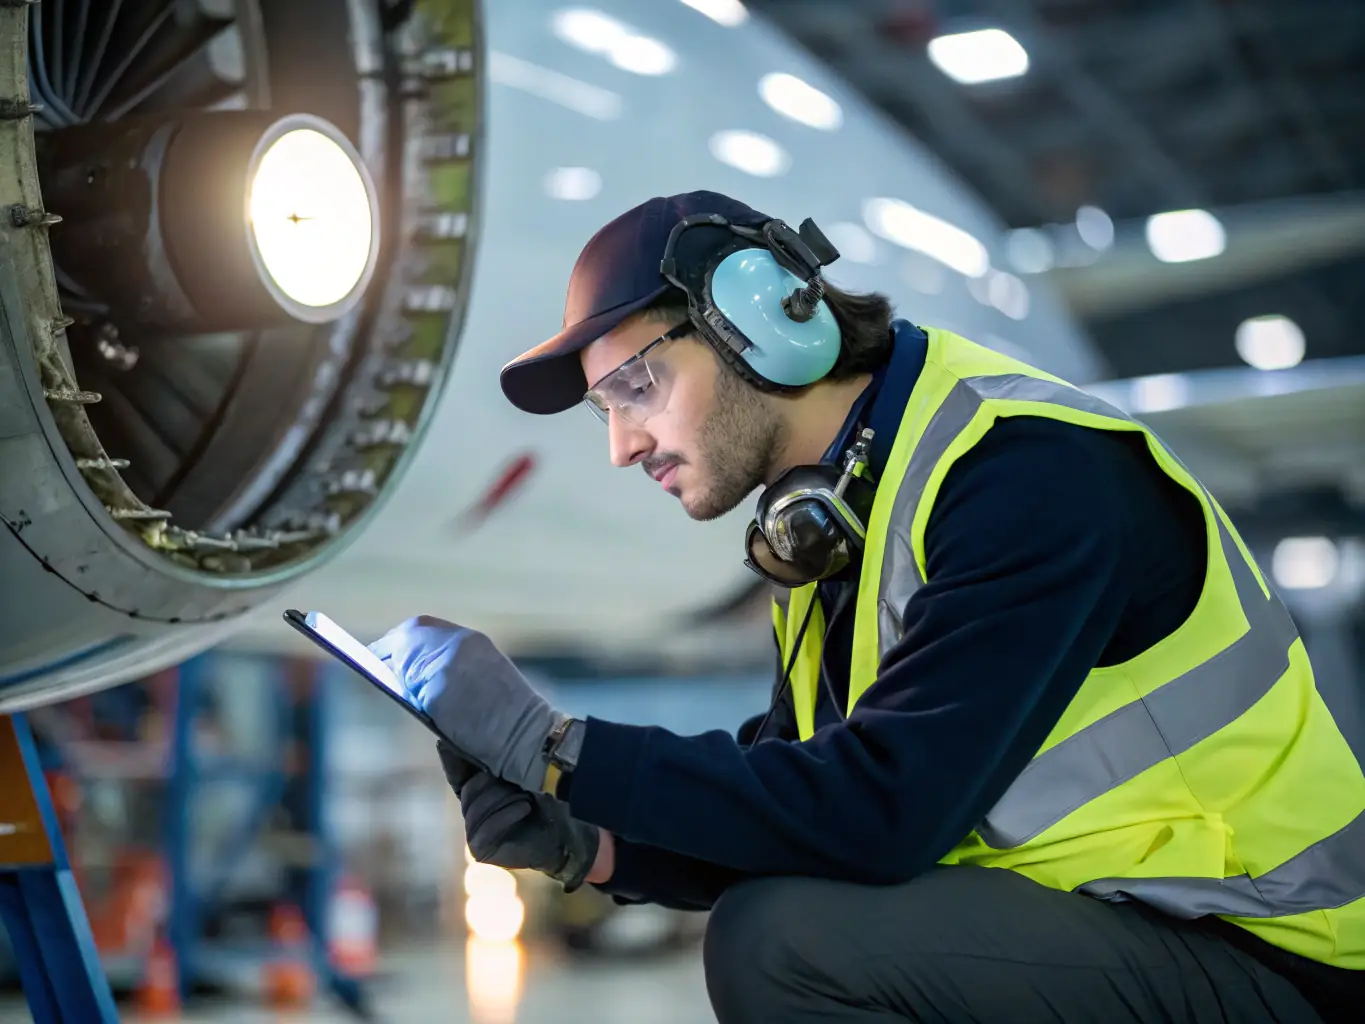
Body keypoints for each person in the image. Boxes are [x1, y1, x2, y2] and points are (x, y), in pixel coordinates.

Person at [369, 191, 1365, 1023]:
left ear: (758, 315)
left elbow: (882, 815)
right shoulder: (837, 525)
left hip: (1275, 953)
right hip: (1123, 927)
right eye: (606, 409)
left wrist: (560, 749)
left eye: (636, 385)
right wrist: (595, 845)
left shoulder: (1028, 472)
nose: (622, 445)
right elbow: (801, 804)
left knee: (783, 941)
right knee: (782, 905)